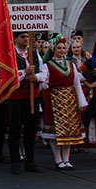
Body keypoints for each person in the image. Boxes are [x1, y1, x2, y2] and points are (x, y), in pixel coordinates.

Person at [37, 35, 87, 169]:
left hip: (70, 100)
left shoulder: (71, 65)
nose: (62, 50)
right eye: (59, 48)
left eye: (64, 48)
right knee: (55, 131)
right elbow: (44, 83)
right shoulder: (48, 65)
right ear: (53, 49)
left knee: (69, 130)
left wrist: (81, 102)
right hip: (55, 100)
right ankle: (58, 159)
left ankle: (66, 159)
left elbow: (77, 84)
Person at [8, 31, 42, 175]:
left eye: (27, 37)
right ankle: (15, 161)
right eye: (22, 37)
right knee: (15, 130)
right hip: (16, 97)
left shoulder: (34, 54)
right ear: (16, 39)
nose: (25, 39)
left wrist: (37, 76)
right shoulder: (10, 54)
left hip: (32, 96)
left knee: (31, 130)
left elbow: (44, 72)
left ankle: (30, 161)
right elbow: (8, 74)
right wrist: (24, 72)